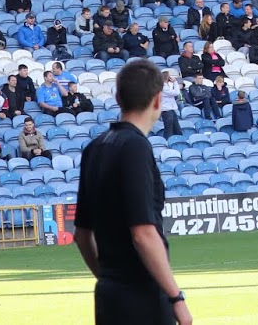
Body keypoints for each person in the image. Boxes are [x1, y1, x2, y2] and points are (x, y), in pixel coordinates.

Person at [73, 58, 193, 325]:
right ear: (158, 100)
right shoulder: (135, 148)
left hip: (108, 296)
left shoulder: (95, 148)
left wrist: (108, 278)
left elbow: (82, 235)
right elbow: (143, 232)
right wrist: (176, 298)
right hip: (143, 296)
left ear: (117, 98)